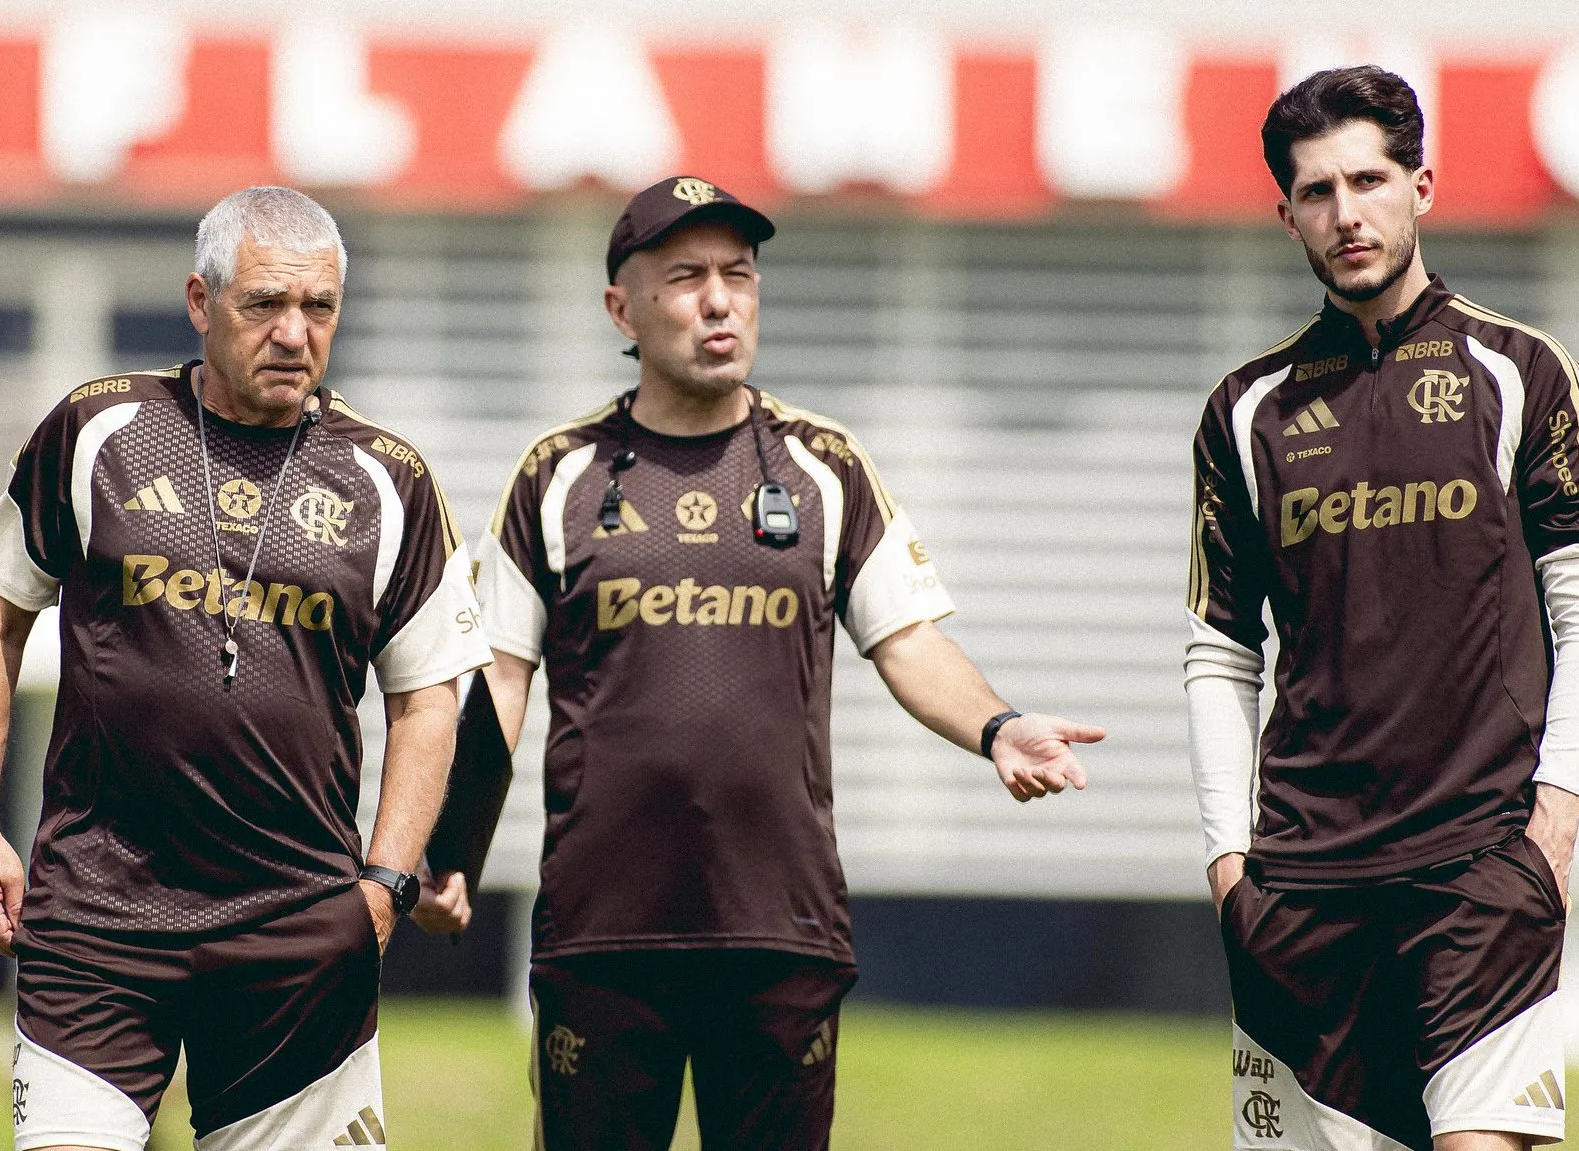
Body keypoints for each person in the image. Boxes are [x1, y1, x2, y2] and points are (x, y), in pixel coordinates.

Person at [431, 175, 1105, 1150]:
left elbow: (908, 640)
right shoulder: (557, 472)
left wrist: (998, 726)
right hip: (602, 932)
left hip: (780, 928)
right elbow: (499, 677)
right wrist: (451, 850)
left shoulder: (824, 465)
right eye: (685, 278)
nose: (719, 300)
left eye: (738, 274)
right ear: (621, 308)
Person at [0, 186, 490, 1151]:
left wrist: (384, 886)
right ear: (201, 301)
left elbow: (428, 697)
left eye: (318, 307)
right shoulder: (98, 430)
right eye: (264, 304)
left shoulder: (389, 478)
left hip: (299, 927)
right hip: (96, 915)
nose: (294, 333)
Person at [1184, 68, 1579, 1151]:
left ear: (1420, 186)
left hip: (1481, 867)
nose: (1346, 213)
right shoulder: (1246, 410)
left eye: (1368, 181)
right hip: (1300, 889)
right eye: (1317, 191)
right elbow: (1218, 651)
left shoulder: (1522, 372)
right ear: (1285, 213)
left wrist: (1554, 821)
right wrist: (1228, 866)